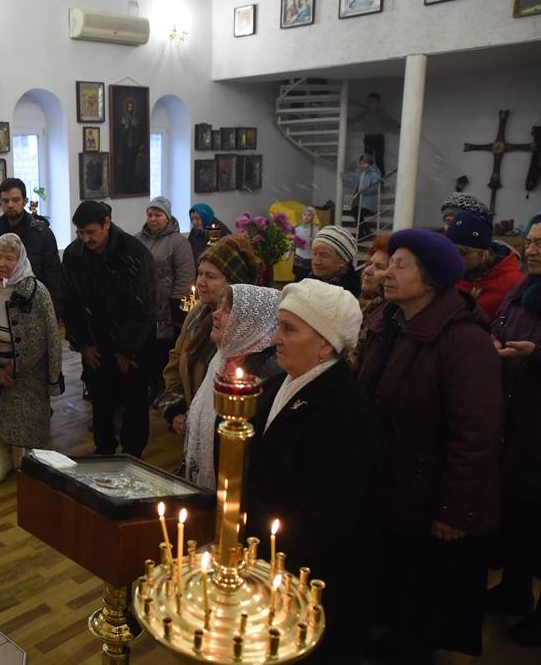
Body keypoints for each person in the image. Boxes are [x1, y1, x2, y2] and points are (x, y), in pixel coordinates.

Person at [357, 229, 501, 660]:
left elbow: (475, 435)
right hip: (392, 484)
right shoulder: (387, 323)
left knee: (422, 597)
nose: (388, 273)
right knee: (393, 586)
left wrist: (453, 509)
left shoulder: (464, 340)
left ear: (433, 279)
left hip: (430, 494)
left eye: (401, 266)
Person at [247, 278, 381, 665]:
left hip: (308, 579)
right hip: (269, 561)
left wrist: (278, 574)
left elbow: (328, 519)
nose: (275, 338)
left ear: (326, 343)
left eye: (289, 329)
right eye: (278, 326)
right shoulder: (279, 384)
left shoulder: (346, 412)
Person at [0, 234, 63, 484]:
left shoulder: (36, 291)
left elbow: (49, 335)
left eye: (9, 258)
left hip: (29, 370)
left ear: (20, 261)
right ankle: (4, 460)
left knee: (29, 421)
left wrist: (16, 364)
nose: (1, 263)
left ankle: (33, 462)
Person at [61, 201, 157, 457]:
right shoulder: (73, 255)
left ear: (107, 222)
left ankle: (132, 454)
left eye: (91, 232)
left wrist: (126, 350)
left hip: (133, 344)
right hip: (95, 341)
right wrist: (83, 343)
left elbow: (145, 306)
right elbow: (69, 302)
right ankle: (104, 450)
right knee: (101, 399)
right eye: (80, 233)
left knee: (134, 400)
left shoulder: (133, 253)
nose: (85, 238)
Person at [489, 213, 541, 646]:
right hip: (518, 421)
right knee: (521, 517)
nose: (534, 248)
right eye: (532, 239)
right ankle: (514, 589)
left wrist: (535, 356)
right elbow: (500, 327)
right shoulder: (521, 290)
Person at [159, 235, 261, 434]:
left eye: (211, 276)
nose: (201, 283)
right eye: (200, 274)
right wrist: (177, 409)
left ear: (234, 283)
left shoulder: (244, 328)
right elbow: (177, 359)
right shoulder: (198, 313)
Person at [183, 284, 280, 488]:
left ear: (251, 323)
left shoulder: (264, 373)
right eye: (219, 307)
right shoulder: (222, 357)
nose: (215, 315)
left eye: (227, 310)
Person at [136, 196, 196, 402]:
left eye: (158, 215)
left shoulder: (178, 242)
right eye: (150, 214)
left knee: (164, 352)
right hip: (144, 306)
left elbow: (185, 276)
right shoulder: (138, 239)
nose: (153, 219)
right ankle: (149, 385)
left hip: (166, 307)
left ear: (167, 217)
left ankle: (164, 389)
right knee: (146, 351)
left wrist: (175, 308)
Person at [0, 178, 61, 314]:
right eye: (5, 201)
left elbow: (53, 275)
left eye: (15, 200)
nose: (10, 205)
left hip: (34, 302)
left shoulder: (42, 233)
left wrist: (51, 308)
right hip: (0, 303)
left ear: (24, 201)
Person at [445, 208, 525, 322]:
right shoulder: (447, 275)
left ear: (483, 252)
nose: (453, 258)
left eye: (461, 253)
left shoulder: (514, 284)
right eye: (449, 250)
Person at [348, 233, 390, 368]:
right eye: (369, 263)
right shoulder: (362, 306)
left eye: (379, 267)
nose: (367, 271)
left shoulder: (387, 317)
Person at [348, 92, 398, 174]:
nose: (370, 103)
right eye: (369, 101)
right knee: (367, 161)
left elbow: (389, 121)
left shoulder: (381, 113)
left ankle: (381, 183)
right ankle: (368, 182)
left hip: (379, 138)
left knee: (379, 161)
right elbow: (354, 121)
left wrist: (399, 126)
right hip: (368, 139)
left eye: (373, 101)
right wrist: (344, 118)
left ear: (377, 103)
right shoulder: (365, 114)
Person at [309, 224, 360, 296]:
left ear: (342, 261)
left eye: (324, 255)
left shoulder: (352, 293)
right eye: (314, 254)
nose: (316, 262)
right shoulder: (309, 281)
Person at [342, 154, 382, 241]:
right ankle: (366, 232)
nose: (360, 165)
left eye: (362, 163)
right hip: (359, 200)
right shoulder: (360, 172)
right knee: (354, 211)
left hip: (368, 203)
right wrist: (344, 179)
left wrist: (365, 190)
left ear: (367, 163)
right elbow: (354, 182)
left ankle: (363, 233)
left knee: (356, 212)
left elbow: (375, 187)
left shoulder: (374, 173)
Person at [291, 206, 318, 281]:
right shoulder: (297, 229)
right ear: (302, 216)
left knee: (308, 278)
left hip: (309, 257)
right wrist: (289, 252)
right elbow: (292, 242)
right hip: (299, 255)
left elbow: (317, 243)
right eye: (304, 214)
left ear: (312, 217)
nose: (306, 217)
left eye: (309, 215)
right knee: (298, 277)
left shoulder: (315, 230)